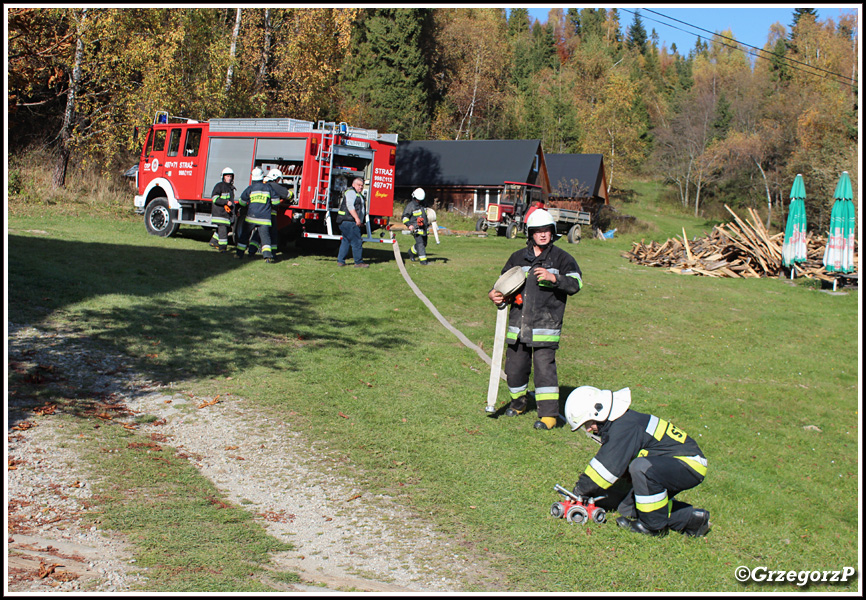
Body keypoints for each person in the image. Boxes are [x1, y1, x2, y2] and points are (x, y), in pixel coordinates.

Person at [564, 385, 711, 538]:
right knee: (628, 508)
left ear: (598, 411)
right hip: (676, 463)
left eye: (588, 423)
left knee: (642, 468)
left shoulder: (624, 426)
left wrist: (580, 491)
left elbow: (607, 468)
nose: (588, 429)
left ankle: (653, 528)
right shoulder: (621, 423)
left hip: (690, 464)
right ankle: (692, 519)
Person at [487, 209, 582, 430]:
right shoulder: (518, 257)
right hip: (517, 326)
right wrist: (494, 294)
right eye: (538, 231)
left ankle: (549, 415)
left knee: (544, 370)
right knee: (515, 368)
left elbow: (576, 283)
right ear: (530, 233)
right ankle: (518, 403)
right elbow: (502, 284)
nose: (542, 235)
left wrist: (554, 278)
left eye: (546, 230)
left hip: (545, 326)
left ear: (553, 232)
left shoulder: (562, 258)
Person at [235, 167, 276, 263]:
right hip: (264, 218)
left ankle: (239, 254)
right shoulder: (268, 188)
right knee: (265, 238)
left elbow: (242, 202)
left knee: (244, 235)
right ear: (262, 177)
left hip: (251, 217)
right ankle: (267, 257)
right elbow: (276, 201)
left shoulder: (250, 188)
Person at [247, 168, 292, 257]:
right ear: (276, 178)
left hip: (261, 212)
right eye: (279, 179)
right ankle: (272, 252)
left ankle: (251, 250)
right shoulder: (274, 186)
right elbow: (288, 195)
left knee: (259, 232)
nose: (279, 181)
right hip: (271, 214)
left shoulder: (264, 185)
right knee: (272, 233)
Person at [335, 176, 369, 268]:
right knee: (357, 241)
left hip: (346, 221)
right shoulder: (351, 192)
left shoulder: (357, 194)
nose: (361, 187)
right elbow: (350, 206)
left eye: (362, 185)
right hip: (349, 221)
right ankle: (358, 262)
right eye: (359, 185)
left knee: (346, 241)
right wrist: (357, 219)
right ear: (353, 185)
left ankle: (340, 261)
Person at [208, 167, 236, 252]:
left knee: (225, 229)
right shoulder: (219, 186)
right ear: (223, 177)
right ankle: (222, 248)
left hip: (226, 213)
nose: (229, 178)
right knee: (223, 231)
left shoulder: (230, 187)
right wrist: (225, 202)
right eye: (227, 176)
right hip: (220, 213)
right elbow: (214, 198)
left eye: (230, 176)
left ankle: (214, 241)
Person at [402, 187, 430, 265]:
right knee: (420, 244)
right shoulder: (411, 206)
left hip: (424, 228)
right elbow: (404, 217)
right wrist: (409, 225)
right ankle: (423, 261)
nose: (419, 201)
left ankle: (411, 252)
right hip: (416, 228)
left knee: (424, 243)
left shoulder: (423, 204)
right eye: (418, 199)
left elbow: (427, 214)